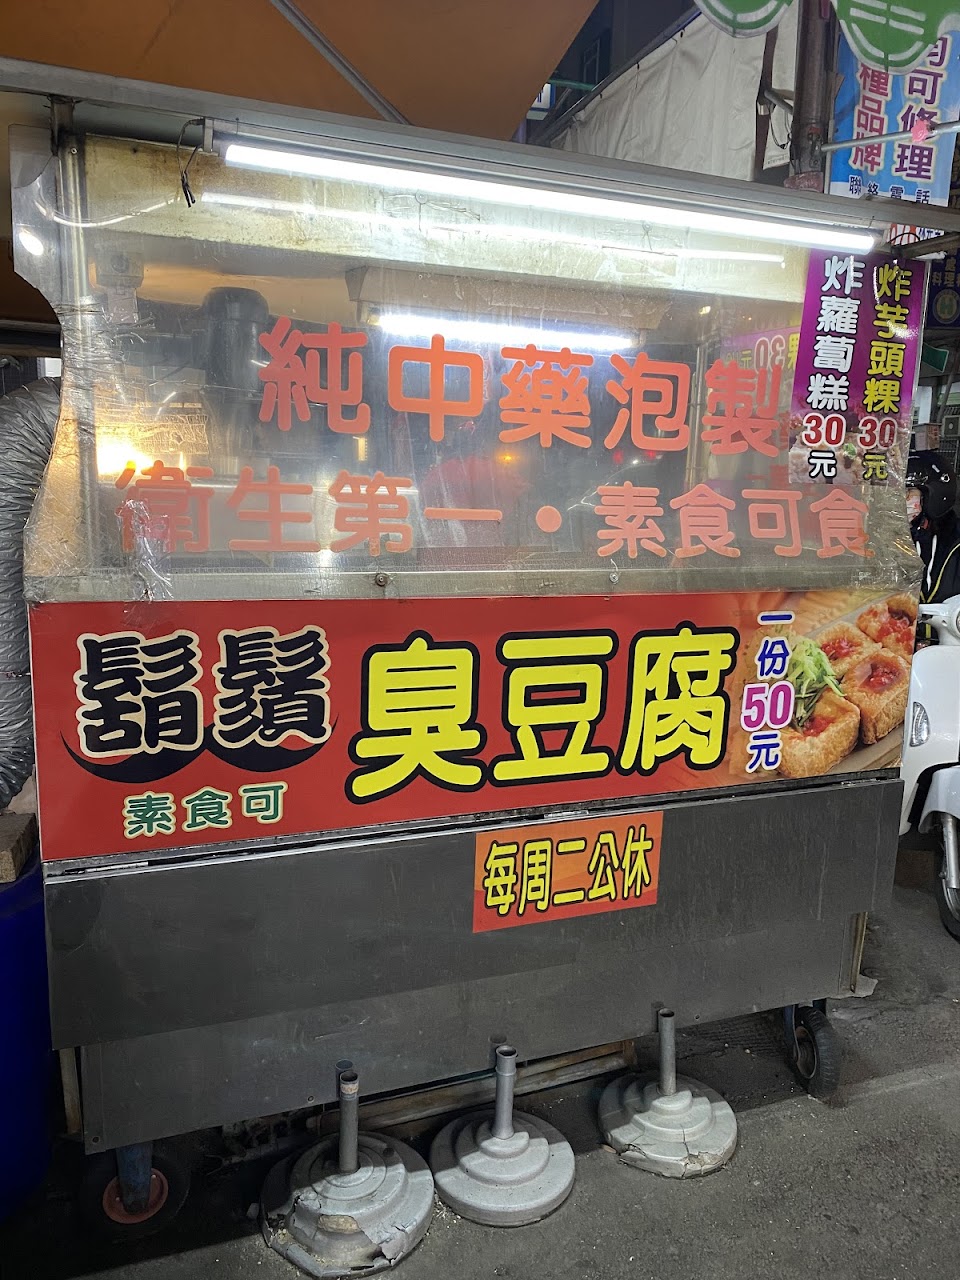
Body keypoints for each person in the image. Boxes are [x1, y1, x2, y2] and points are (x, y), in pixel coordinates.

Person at [906, 448, 960, 607]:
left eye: (908, 491)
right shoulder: (882, 539)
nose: (899, 500)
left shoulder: (955, 543)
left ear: (934, 495)